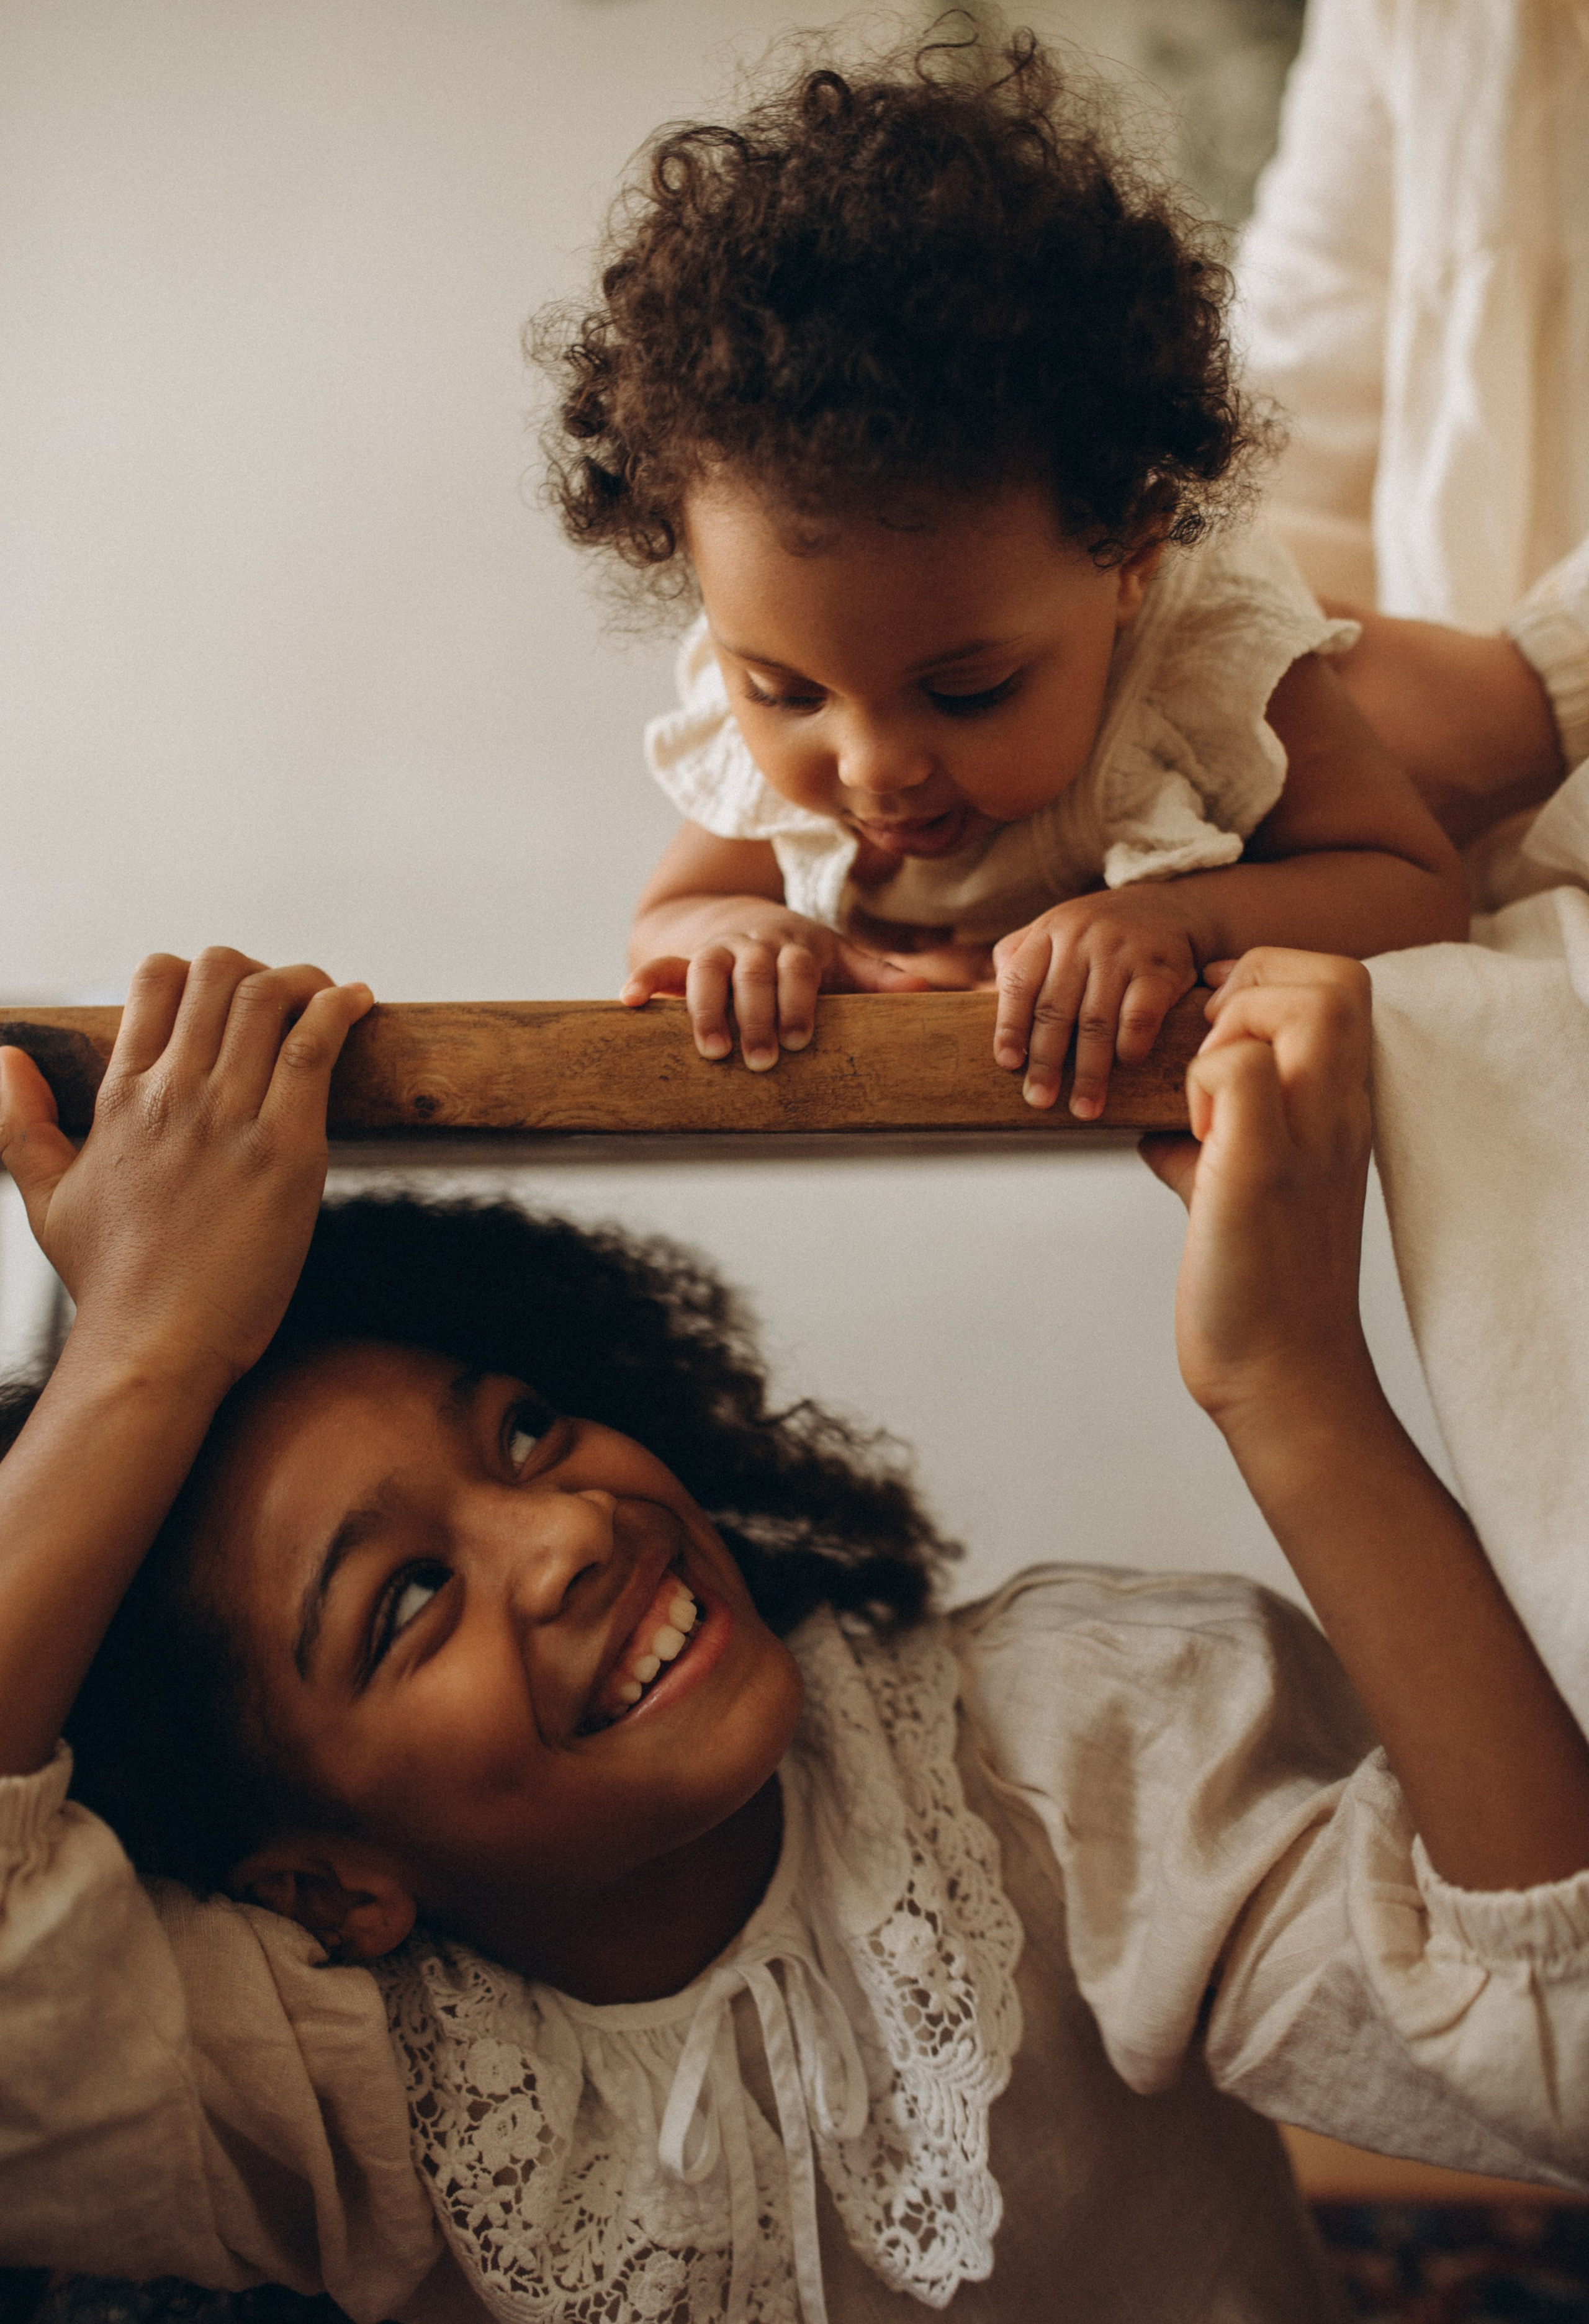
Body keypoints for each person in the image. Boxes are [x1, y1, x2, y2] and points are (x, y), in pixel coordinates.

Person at [2, 941, 1588, 2324]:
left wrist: (1291, 1384)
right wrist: (141, 1351)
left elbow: (1555, 2050)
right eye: (409, 1598)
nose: (571, 1530)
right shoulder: (311, 2087)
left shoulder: (1062, 1763)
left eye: (527, 1429)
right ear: (327, 1887)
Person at [536, 30, 1467, 1121]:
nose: (873, 767)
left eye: (967, 689)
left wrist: (1186, 919)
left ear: (1130, 560)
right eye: (784, 693)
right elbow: (671, 915)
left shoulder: (1214, 658)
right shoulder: (806, 675)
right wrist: (742, 935)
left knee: (1517, 711)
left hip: (1421, 699)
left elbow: (1419, 889)